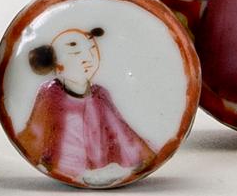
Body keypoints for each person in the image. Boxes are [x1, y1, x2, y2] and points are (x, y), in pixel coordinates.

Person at [18, 27, 155, 185]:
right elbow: (36, 135)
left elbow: (121, 133)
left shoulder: (100, 96)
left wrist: (139, 159)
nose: (88, 59)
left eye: (92, 50)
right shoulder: (50, 96)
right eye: (76, 54)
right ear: (56, 64)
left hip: (102, 169)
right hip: (65, 165)